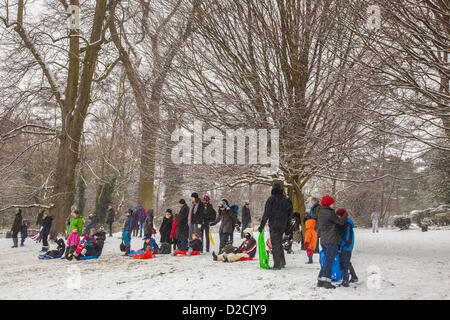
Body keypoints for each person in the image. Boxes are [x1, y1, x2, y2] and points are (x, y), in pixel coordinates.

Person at [258, 183, 293, 270]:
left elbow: (266, 213)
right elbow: (290, 215)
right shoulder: (287, 200)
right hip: (283, 225)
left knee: (275, 244)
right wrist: (288, 227)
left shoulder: (271, 199)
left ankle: (277, 264)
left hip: (274, 225)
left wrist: (261, 226)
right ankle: (282, 262)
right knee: (279, 243)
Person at [316, 195, 348, 289]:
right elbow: (340, 222)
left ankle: (320, 280)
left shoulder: (321, 212)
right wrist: (345, 214)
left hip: (324, 240)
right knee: (329, 261)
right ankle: (326, 282)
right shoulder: (330, 213)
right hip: (331, 240)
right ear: (329, 203)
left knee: (327, 261)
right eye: (332, 203)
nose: (333, 204)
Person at [336, 208, 358, 287]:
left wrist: (342, 244)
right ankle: (354, 277)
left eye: (338, 215)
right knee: (347, 262)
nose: (337, 217)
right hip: (346, 245)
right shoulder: (344, 223)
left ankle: (345, 281)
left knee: (344, 263)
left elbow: (347, 236)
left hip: (346, 246)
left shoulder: (346, 224)